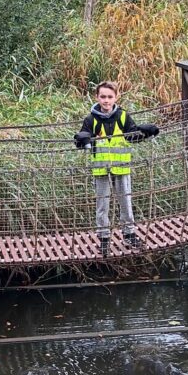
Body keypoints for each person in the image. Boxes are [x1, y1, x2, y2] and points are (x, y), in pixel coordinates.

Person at [74, 81, 159, 258]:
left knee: (126, 203)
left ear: (116, 97)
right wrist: (82, 139)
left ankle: (129, 234)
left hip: (121, 168)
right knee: (102, 206)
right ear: (97, 97)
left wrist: (145, 132)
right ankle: (104, 239)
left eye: (110, 97)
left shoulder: (123, 116)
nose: (106, 100)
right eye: (103, 96)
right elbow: (82, 140)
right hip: (101, 170)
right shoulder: (91, 120)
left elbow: (132, 137)